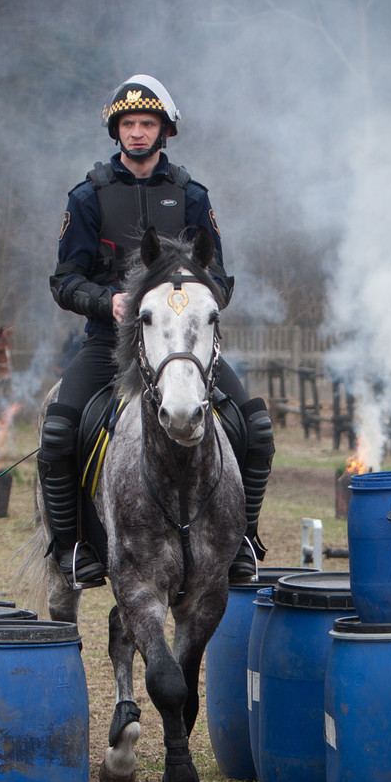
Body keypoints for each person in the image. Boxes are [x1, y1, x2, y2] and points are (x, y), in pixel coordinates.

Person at [39, 73, 275, 586]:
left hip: (182, 344)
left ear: (164, 131)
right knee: (58, 432)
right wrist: (109, 300)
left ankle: (244, 543)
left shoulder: (190, 195)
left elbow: (220, 278)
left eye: (147, 123)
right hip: (109, 343)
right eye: (128, 123)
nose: (137, 132)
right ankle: (73, 548)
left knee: (255, 428)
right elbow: (64, 281)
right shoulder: (86, 198)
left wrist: (195, 301)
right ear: (116, 131)